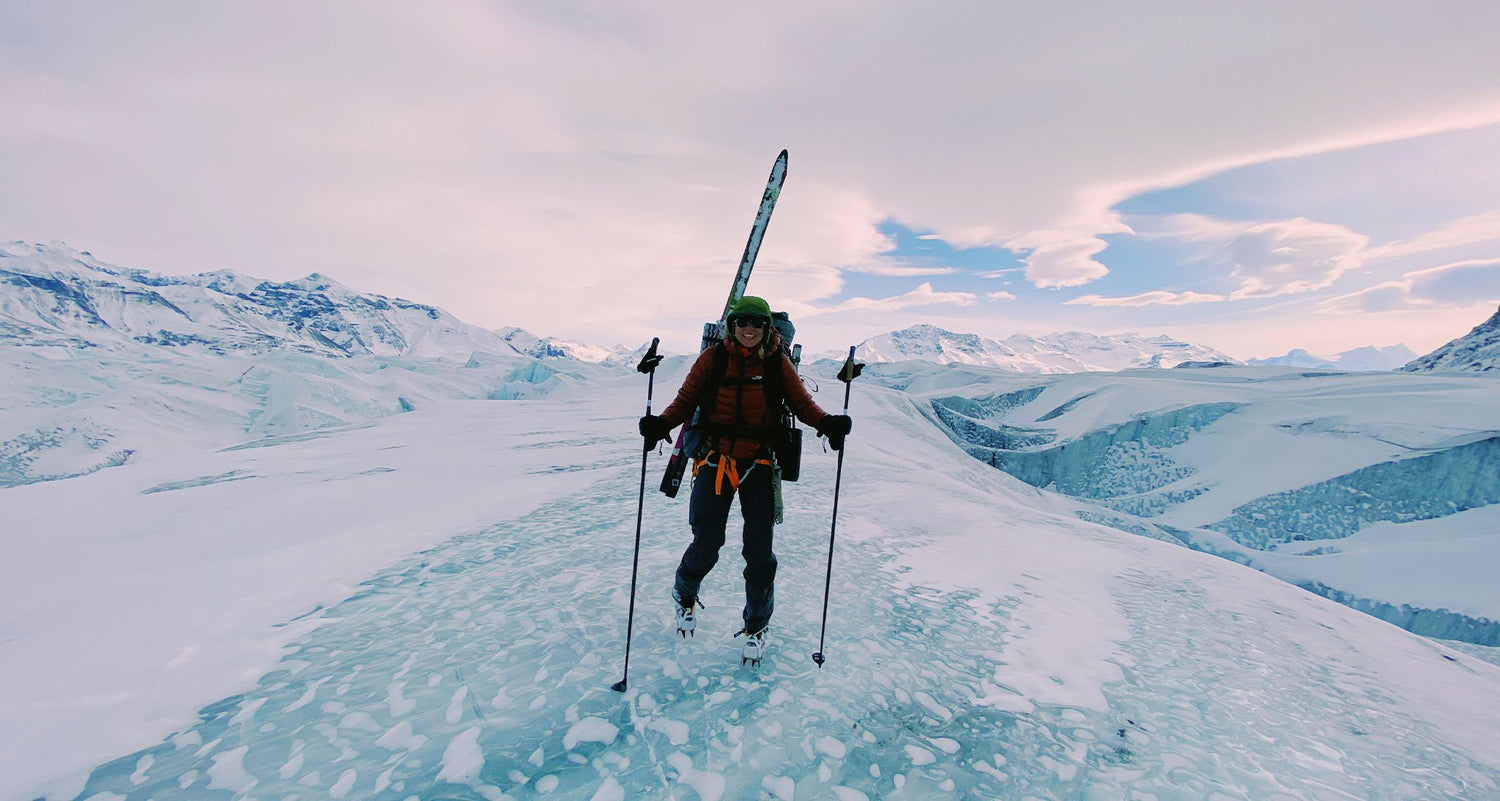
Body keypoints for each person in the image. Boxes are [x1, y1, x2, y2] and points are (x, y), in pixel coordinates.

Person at [639, 296, 852, 661]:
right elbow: (686, 400)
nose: (749, 329)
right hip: (715, 459)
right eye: (742, 322)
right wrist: (661, 423)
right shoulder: (713, 359)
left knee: (759, 554)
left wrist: (828, 423)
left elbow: (802, 404)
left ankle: (756, 624)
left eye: (756, 322)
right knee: (706, 542)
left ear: (767, 327)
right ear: (731, 327)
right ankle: (684, 593)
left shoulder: (776, 364)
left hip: (759, 464)